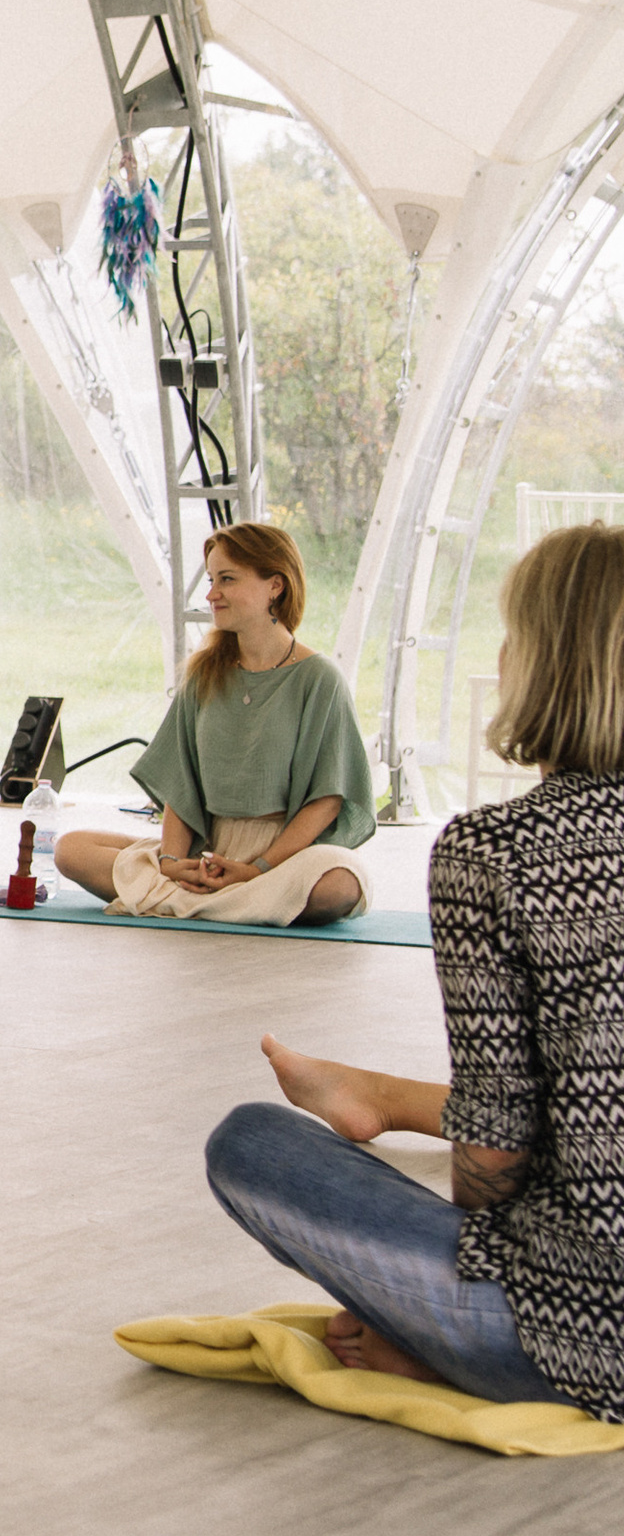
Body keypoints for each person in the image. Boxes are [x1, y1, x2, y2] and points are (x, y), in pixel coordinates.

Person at [204, 523, 624, 1413]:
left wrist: (424, 1315)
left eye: (512, 635)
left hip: (584, 1341)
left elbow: (493, 1156)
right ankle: (385, 1101)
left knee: (249, 1143)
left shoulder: (497, 852)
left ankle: (446, 1345)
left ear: (547, 662)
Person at [54, 521, 372, 925]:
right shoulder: (204, 674)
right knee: (71, 849)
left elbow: (327, 800)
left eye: (227, 579)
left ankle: (192, 902)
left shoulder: (319, 678)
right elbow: (180, 783)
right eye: (211, 579)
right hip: (206, 855)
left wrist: (258, 868)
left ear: (275, 585)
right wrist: (171, 861)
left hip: (282, 860)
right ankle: (230, 903)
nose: (211, 594)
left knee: (340, 886)